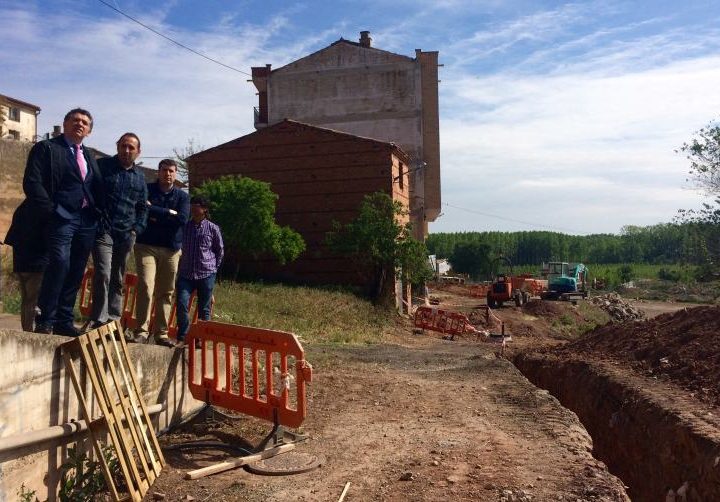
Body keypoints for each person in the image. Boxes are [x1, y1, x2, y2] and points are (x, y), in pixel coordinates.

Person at [24, 108, 103, 336]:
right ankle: (45, 318)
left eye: (85, 122)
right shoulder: (47, 148)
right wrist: (50, 210)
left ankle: (63, 321)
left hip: (86, 220)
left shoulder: (88, 154)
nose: (80, 124)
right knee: (59, 262)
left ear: (89, 131)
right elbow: (32, 181)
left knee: (77, 269)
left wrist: (98, 212)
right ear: (65, 123)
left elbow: (94, 185)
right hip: (60, 217)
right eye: (75, 120)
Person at [88, 133, 148, 329]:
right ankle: (98, 319)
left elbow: (142, 207)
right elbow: (90, 190)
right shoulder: (103, 166)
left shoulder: (140, 177)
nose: (126, 150)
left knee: (117, 277)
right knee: (103, 273)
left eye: (131, 147)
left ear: (138, 152)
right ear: (117, 147)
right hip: (103, 229)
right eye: (123, 146)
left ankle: (113, 320)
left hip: (126, 233)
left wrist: (136, 229)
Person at [133, 159, 189, 346]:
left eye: (172, 171)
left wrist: (155, 212)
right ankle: (141, 330)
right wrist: (168, 213)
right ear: (159, 172)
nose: (168, 174)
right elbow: (141, 209)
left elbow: (181, 219)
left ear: (175, 173)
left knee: (166, 292)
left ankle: (161, 334)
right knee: (146, 286)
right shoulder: (147, 189)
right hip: (146, 245)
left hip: (171, 250)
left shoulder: (182, 197)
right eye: (165, 170)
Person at [175, 196, 223, 345]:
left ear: (205, 209)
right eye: (193, 205)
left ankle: (201, 339)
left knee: (204, 308)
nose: (195, 208)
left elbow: (219, 250)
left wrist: (213, 268)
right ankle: (183, 335)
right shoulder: (185, 226)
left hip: (206, 273)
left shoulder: (213, 228)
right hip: (186, 273)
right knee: (182, 303)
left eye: (198, 205)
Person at [3, 201, 48, 331]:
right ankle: (30, 332)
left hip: (21, 260)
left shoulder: (22, 209)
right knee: (32, 300)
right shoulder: (42, 209)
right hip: (35, 262)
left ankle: (27, 330)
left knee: (27, 300)